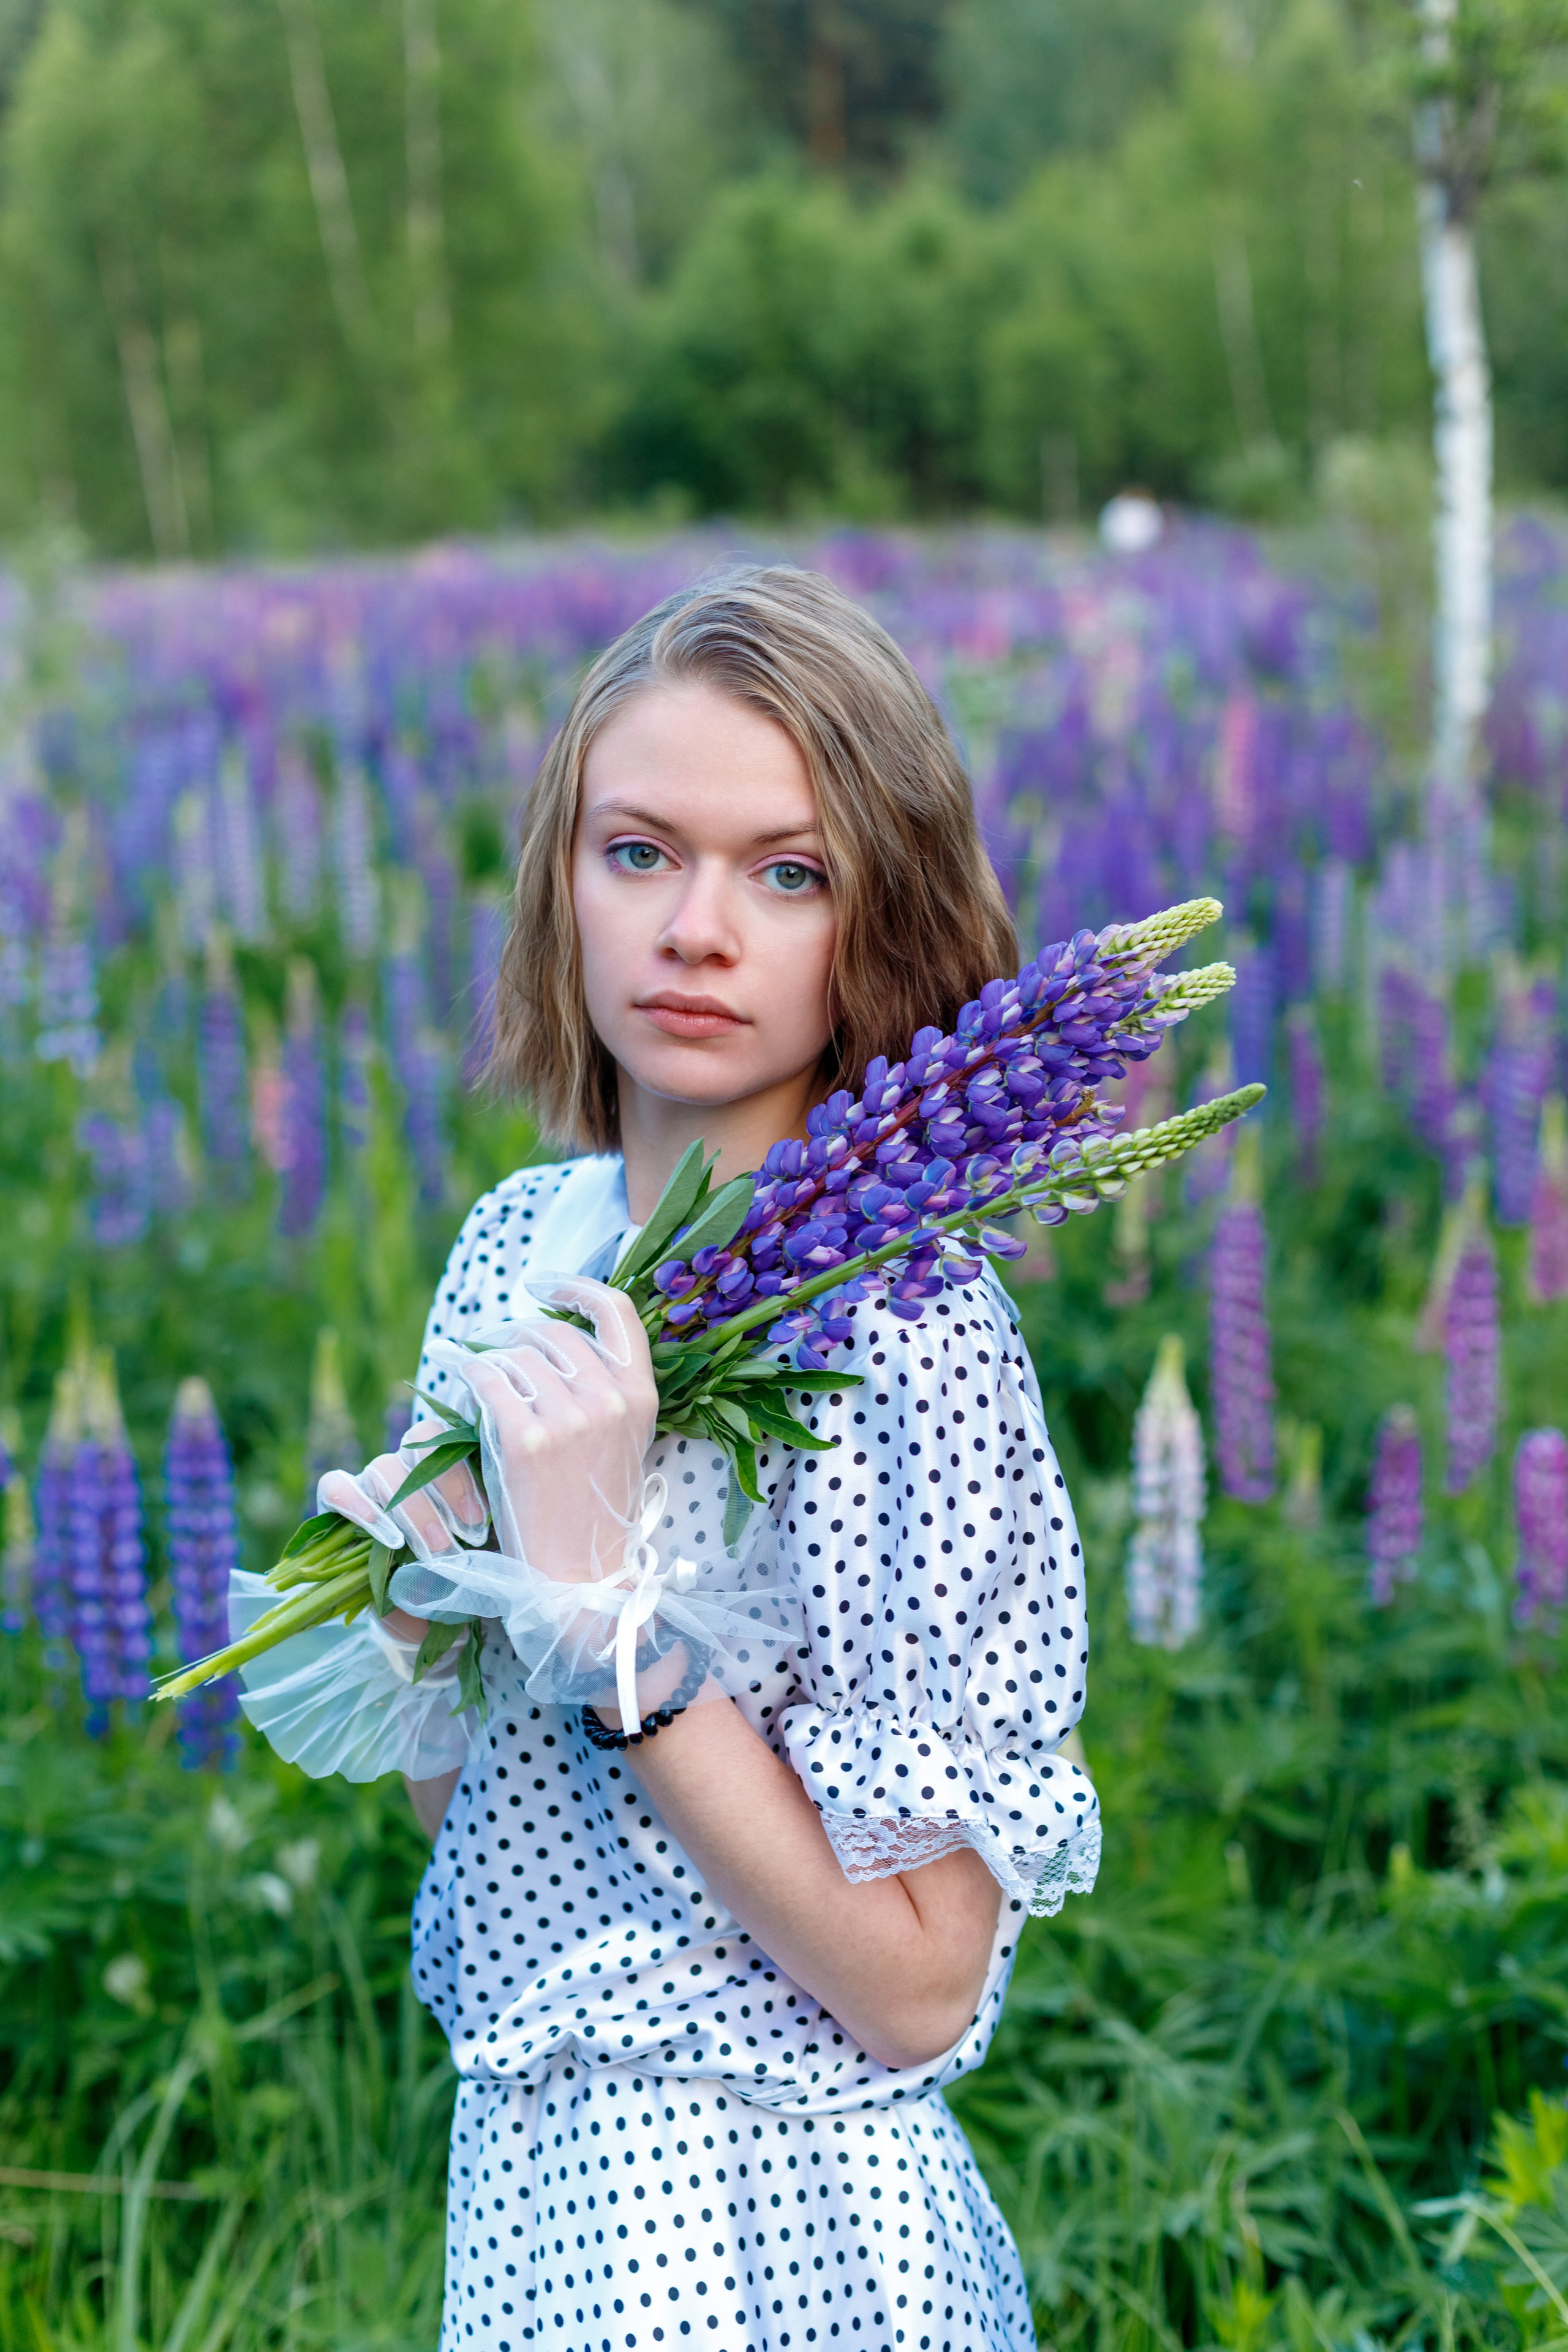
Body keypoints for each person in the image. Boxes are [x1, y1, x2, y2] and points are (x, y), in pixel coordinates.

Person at [233, 567, 1101, 2352]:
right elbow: (481, 1831)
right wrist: (418, 1602)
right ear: (564, 879)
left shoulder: (905, 1331)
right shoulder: (517, 1246)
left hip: (785, 2222)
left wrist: (609, 1622)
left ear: (879, 923)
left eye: (787, 874)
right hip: (536, 2191)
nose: (696, 927)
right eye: (639, 852)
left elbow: (924, 1987)